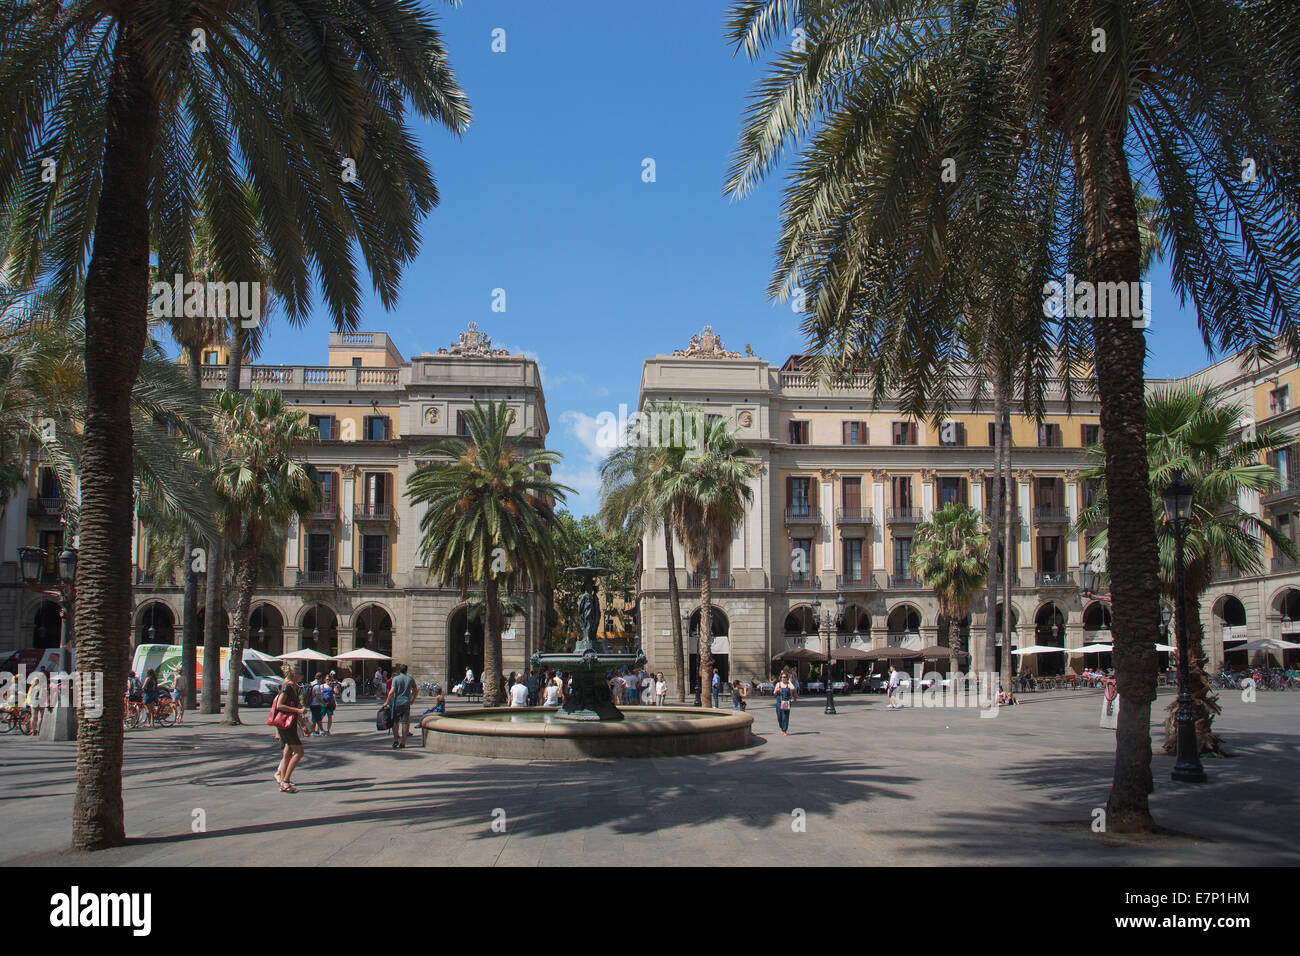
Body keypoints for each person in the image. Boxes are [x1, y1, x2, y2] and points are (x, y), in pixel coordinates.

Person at [273, 668, 307, 793]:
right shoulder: (287, 687)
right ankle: (286, 781)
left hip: (290, 723)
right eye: (300, 673)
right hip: (286, 725)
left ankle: (282, 779)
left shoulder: (294, 687)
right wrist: (298, 711)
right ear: (295, 675)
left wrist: (303, 724)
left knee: (288, 752)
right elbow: (279, 705)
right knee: (299, 752)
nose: (302, 676)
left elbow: (295, 707)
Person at [385, 663, 418, 749]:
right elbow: (415, 690)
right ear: (406, 670)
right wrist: (413, 699)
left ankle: (396, 740)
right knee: (405, 722)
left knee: (395, 722)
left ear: (399, 670)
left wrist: (387, 702)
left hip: (397, 703)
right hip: (406, 703)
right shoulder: (410, 679)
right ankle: (403, 742)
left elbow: (392, 691)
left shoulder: (396, 679)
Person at [775, 671, 795, 735]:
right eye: (782, 677)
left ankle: (784, 730)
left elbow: (793, 688)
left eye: (785, 677)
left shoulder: (788, 684)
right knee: (779, 716)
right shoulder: (778, 684)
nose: (783, 678)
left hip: (786, 702)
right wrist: (776, 690)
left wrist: (789, 681)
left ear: (787, 678)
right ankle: (781, 727)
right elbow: (774, 693)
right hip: (779, 702)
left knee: (785, 716)